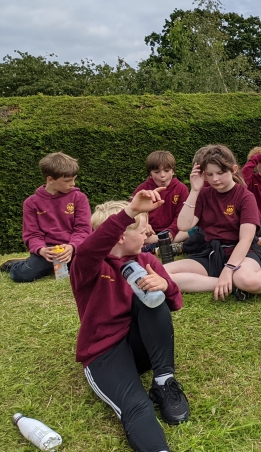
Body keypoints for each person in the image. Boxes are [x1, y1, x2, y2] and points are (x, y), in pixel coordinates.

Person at [70, 191, 189, 452]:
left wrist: (165, 285)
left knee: (152, 295)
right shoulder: (89, 265)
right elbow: (90, 247)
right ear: (121, 234)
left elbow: (175, 304)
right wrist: (130, 213)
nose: (149, 236)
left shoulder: (146, 260)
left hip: (142, 347)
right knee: (136, 406)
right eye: (144, 232)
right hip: (105, 351)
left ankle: (163, 381)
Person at [164, 144, 261, 301]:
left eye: (220, 173)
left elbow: (246, 239)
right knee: (161, 274)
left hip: (244, 253)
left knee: (245, 280)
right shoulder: (203, 194)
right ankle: (226, 283)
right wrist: (194, 190)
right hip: (213, 252)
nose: (215, 179)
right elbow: (183, 225)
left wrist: (229, 268)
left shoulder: (245, 196)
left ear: (233, 169)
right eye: (209, 174)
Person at [1, 152, 92, 282]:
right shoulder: (31, 203)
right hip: (48, 249)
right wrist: (41, 250)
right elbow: (32, 234)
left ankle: (50, 265)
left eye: (74, 178)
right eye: (67, 180)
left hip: (74, 247)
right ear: (50, 180)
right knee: (21, 275)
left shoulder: (79, 198)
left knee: (89, 271)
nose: (73, 184)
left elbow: (83, 229)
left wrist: (72, 246)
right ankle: (16, 264)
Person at [132, 150, 190, 256]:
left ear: (173, 171)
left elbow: (182, 216)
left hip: (173, 232)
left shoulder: (182, 189)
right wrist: (144, 224)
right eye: (157, 172)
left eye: (167, 170)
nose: (162, 175)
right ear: (150, 173)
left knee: (191, 232)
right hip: (149, 233)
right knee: (131, 233)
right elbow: (133, 212)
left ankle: (153, 247)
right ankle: (167, 246)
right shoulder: (142, 189)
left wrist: (171, 231)